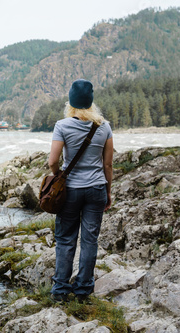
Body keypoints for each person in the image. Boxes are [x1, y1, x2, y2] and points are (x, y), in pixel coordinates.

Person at [48, 79, 113, 304]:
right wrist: (108, 191)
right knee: (89, 240)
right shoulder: (104, 126)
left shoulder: (62, 126)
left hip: (71, 190)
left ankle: (60, 291)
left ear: (71, 103)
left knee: (66, 240)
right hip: (96, 189)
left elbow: (52, 161)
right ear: (91, 102)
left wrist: (58, 176)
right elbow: (108, 165)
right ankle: (84, 290)